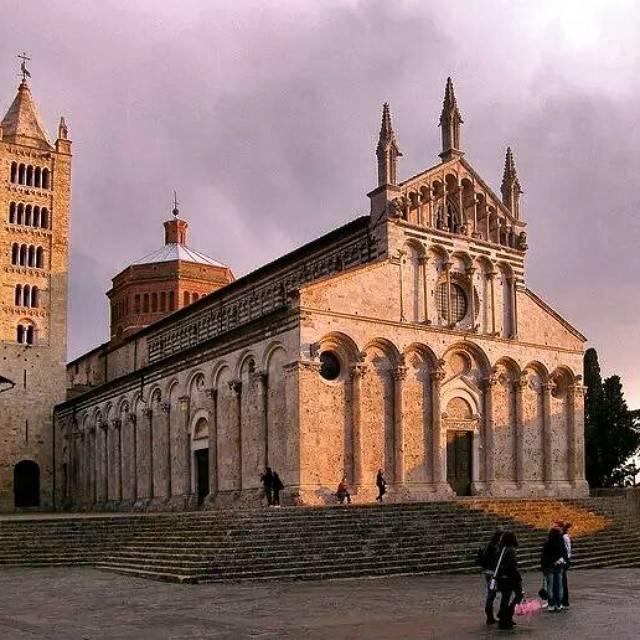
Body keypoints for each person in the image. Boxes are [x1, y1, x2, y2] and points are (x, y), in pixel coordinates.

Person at [496, 531, 523, 630]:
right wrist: (519, 579)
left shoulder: (501, 550)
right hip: (511, 577)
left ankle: (504, 616)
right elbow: (512, 567)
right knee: (519, 595)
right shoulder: (511, 550)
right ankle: (507, 616)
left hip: (502, 577)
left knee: (505, 598)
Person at [541, 525, 568, 611]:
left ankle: (551, 604)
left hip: (549, 566)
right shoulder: (561, 543)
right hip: (559, 566)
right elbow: (565, 554)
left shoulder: (547, 543)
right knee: (559, 585)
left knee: (550, 586)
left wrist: (544, 567)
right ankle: (559, 604)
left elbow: (544, 557)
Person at [478, 529, 503, 625]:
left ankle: (490, 616)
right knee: (492, 594)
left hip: (487, 572)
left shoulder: (489, 545)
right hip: (493, 572)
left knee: (491, 593)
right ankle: (490, 616)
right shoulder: (496, 548)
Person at [561, 521, 572, 608]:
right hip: (565, 560)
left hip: (563, 561)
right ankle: (563, 601)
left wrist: (565, 560)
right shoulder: (565, 537)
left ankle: (564, 601)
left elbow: (567, 550)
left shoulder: (564, 538)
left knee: (562, 581)